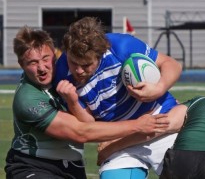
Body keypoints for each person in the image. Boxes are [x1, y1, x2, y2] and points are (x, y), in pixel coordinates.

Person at [4, 26, 169, 179]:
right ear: (21, 65)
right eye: (32, 63)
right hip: (33, 165)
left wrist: (159, 90)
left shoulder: (71, 73)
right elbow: (80, 132)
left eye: (45, 58)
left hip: (73, 165)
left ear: (55, 54)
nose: (41, 68)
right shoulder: (28, 99)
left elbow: (90, 119)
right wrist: (138, 125)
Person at [54, 17, 182, 178]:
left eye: (86, 65)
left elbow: (171, 64)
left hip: (160, 122)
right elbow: (89, 125)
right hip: (118, 139)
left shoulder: (122, 46)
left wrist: (158, 89)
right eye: (73, 63)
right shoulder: (61, 74)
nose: (78, 71)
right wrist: (72, 102)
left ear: (100, 55)